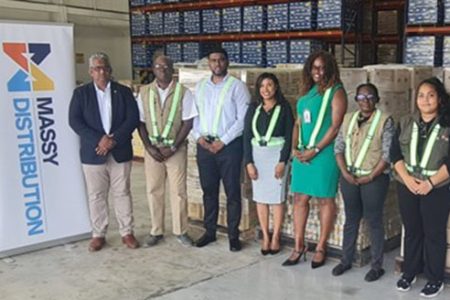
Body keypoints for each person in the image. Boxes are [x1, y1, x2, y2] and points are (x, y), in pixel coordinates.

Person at [69, 52, 140, 251]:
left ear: (110, 71)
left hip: (120, 151)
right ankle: (98, 234)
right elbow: (75, 121)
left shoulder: (123, 92)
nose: (101, 71)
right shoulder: (81, 94)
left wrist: (113, 140)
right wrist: (99, 139)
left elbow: (132, 118)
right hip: (93, 153)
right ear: (91, 72)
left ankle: (127, 232)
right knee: (96, 195)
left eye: (105, 68)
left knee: (122, 193)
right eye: (97, 68)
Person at [283, 50, 347, 267]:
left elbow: (335, 126)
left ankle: (321, 246)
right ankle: (299, 245)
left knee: (324, 200)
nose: (318, 72)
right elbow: (298, 122)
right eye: (314, 67)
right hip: (302, 153)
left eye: (322, 67)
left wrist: (316, 150)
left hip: (323, 154)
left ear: (329, 69)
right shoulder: (307, 92)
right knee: (300, 199)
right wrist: (294, 147)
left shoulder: (336, 91)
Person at [391, 77, 450, 298]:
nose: (425, 100)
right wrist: (407, 179)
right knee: (412, 230)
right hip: (407, 185)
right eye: (421, 95)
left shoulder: (447, 124)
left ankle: (435, 278)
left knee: (434, 234)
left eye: (431, 95)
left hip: (437, 188)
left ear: (440, 99)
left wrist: (431, 183)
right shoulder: (406, 121)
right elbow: (395, 154)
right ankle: (410, 272)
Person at [332, 83, 395, 281]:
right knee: (351, 219)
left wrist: (370, 176)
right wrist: (345, 172)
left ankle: (377, 266)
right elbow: (338, 148)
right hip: (349, 176)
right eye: (360, 97)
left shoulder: (385, 121)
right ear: (356, 100)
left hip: (374, 179)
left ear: (377, 99)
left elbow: (387, 155)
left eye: (369, 97)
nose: (365, 101)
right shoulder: (348, 119)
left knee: (374, 220)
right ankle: (345, 260)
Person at [192, 48, 250, 252]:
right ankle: (210, 232)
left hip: (229, 147)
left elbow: (242, 120)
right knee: (209, 191)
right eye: (213, 60)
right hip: (205, 147)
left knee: (232, 191)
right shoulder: (200, 87)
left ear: (227, 62)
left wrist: (223, 142)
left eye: (221, 60)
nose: (217, 64)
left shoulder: (238, 87)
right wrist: (198, 137)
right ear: (209, 63)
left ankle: (233, 235)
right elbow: (194, 115)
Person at [137, 55, 197, 247]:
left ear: (172, 69)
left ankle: (181, 231)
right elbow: (140, 122)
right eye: (158, 66)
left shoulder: (184, 92)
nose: (162, 69)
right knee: (154, 190)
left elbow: (188, 122)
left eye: (166, 66)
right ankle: (156, 231)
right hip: (152, 150)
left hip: (175, 150)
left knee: (178, 191)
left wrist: (173, 147)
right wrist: (148, 147)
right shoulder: (144, 92)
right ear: (153, 70)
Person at [243, 73, 294, 255]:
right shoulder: (254, 107)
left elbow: (289, 137)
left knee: (276, 199)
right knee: (261, 198)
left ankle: (276, 236)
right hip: (258, 156)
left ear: (276, 87)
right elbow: (247, 136)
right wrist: (248, 162)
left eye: (270, 85)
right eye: (262, 86)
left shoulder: (284, 107)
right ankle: (265, 235)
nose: (266, 89)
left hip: (276, 156)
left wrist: (282, 161)